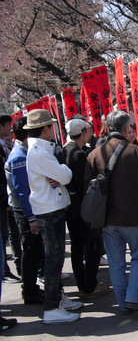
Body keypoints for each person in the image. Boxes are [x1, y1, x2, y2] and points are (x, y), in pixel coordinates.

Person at [86, 110, 138, 314]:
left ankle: (124, 302)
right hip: (132, 216)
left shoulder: (93, 154)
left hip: (106, 219)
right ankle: (133, 296)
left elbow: (87, 189)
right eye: (132, 127)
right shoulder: (136, 152)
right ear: (126, 128)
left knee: (116, 263)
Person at [24, 109, 82, 324]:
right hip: (49, 210)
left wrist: (59, 172)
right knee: (53, 260)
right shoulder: (39, 152)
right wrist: (63, 169)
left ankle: (57, 299)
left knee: (55, 259)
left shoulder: (40, 150)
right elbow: (65, 176)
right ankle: (51, 307)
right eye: (51, 126)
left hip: (51, 207)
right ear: (46, 128)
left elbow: (60, 176)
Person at [60, 119, 110, 299]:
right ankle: (89, 285)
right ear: (83, 132)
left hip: (69, 206)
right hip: (82, 207)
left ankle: (83, 283)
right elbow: (85, 185)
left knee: (77, 246)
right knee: (92, 245)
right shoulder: (78, 154)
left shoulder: (64, 150)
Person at [4, 117, 44, 305]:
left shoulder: (23, 151)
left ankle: (32, 288)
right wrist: (31, 218)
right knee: (31, 251)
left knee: (34, 251)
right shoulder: (19, 156)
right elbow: (22, 191)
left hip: (26, 210)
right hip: (24, 211)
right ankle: (29, 290)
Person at [0, 115, 21, 284]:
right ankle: (6, 271)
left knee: (11, 234)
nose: (10, 129)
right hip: (5, 201)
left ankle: (12, 267)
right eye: (8, 125)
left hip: (8, 200)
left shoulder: (7, 146)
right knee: (6, 235)